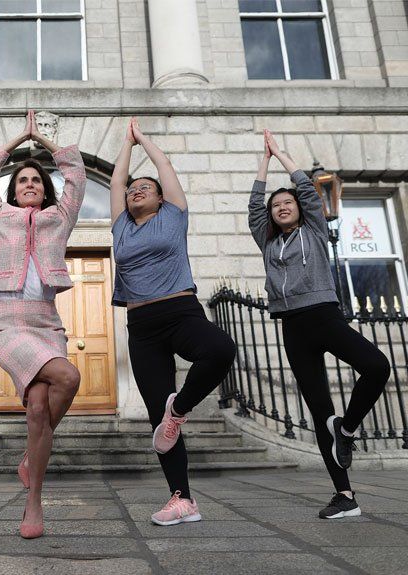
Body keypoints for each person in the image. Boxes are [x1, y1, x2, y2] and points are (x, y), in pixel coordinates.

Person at [249, 129, 390, 519]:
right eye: (276, 204)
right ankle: (345, 496)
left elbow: (310, 192)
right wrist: (262, 165)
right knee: (318, 409)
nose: (281, 207)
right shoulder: (267, 242)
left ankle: (347, 428)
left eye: (287, 202)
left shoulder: (313, 230)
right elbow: (254, 208)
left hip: (324, 316)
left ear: (299, 208)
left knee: (377, 366)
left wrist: (280, 155)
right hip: (292, 328)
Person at [110, 118, 236, 526]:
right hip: (142, 326)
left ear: (162, 198)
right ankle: (181, 499)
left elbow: (165, 168)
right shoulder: (122, 227)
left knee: (220, 349)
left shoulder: (174, 216)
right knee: (154, 414)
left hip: (180, 310)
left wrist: (142, 138)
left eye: (144, 187)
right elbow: (114, 184)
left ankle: (178, 409)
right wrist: (124, 150)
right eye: (132, 190)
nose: (135, 191)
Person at [0, 110, 85, 538]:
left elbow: (75, 175)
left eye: (36, 180)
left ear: (44, 190)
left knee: (39, 410)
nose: (29, 184)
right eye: (22, 180)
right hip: (7, 324)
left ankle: (33, 501)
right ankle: (29, 463)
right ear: (13, 189)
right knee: (69, 376)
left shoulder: (60, 218)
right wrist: (19, 136)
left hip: (46, 323)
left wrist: (44, 141)